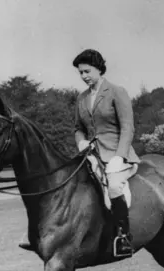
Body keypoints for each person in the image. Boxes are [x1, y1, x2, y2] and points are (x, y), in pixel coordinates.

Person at [20, 49, 140, 258]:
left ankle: (124, 236)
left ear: (99, 69)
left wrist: (120, 156)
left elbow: (128, 127)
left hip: (117, 154)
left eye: (87, 71)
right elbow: (78, 128)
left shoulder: (116, 92)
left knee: (113, 184)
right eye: (80, 73)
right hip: (91, 153)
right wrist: (81, 141)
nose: (84, 76)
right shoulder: (82, 98)